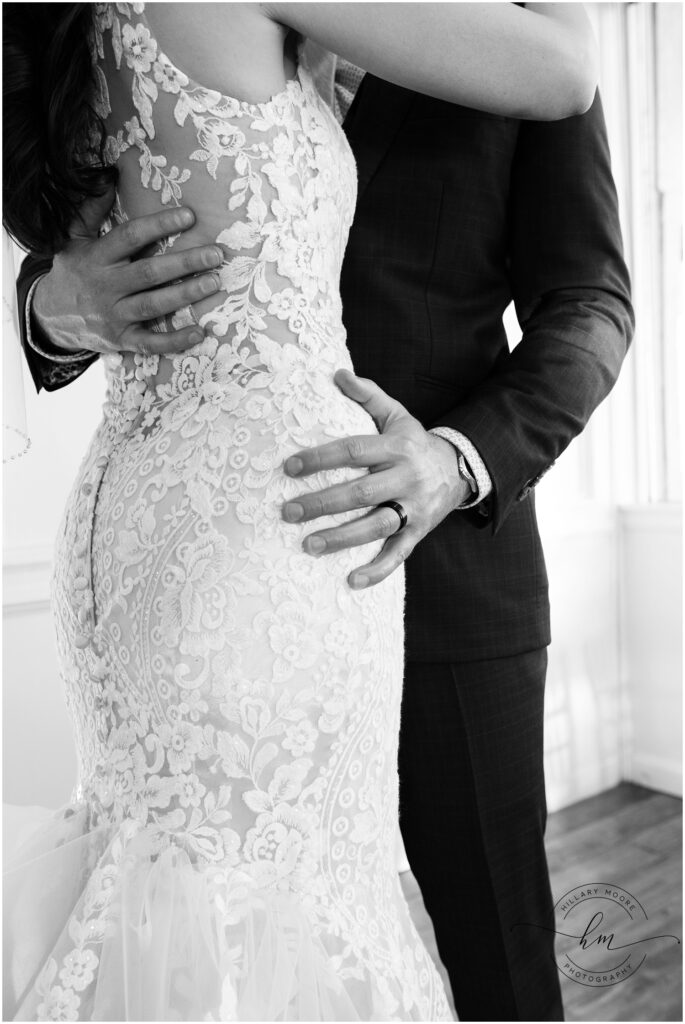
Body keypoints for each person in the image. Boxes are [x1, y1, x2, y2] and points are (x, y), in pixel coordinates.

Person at [3, 2, 610, 1021]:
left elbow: (592, 303)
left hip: (439, 562)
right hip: (249, 573)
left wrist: (455, 461)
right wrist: (47, 307)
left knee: (487, 964)